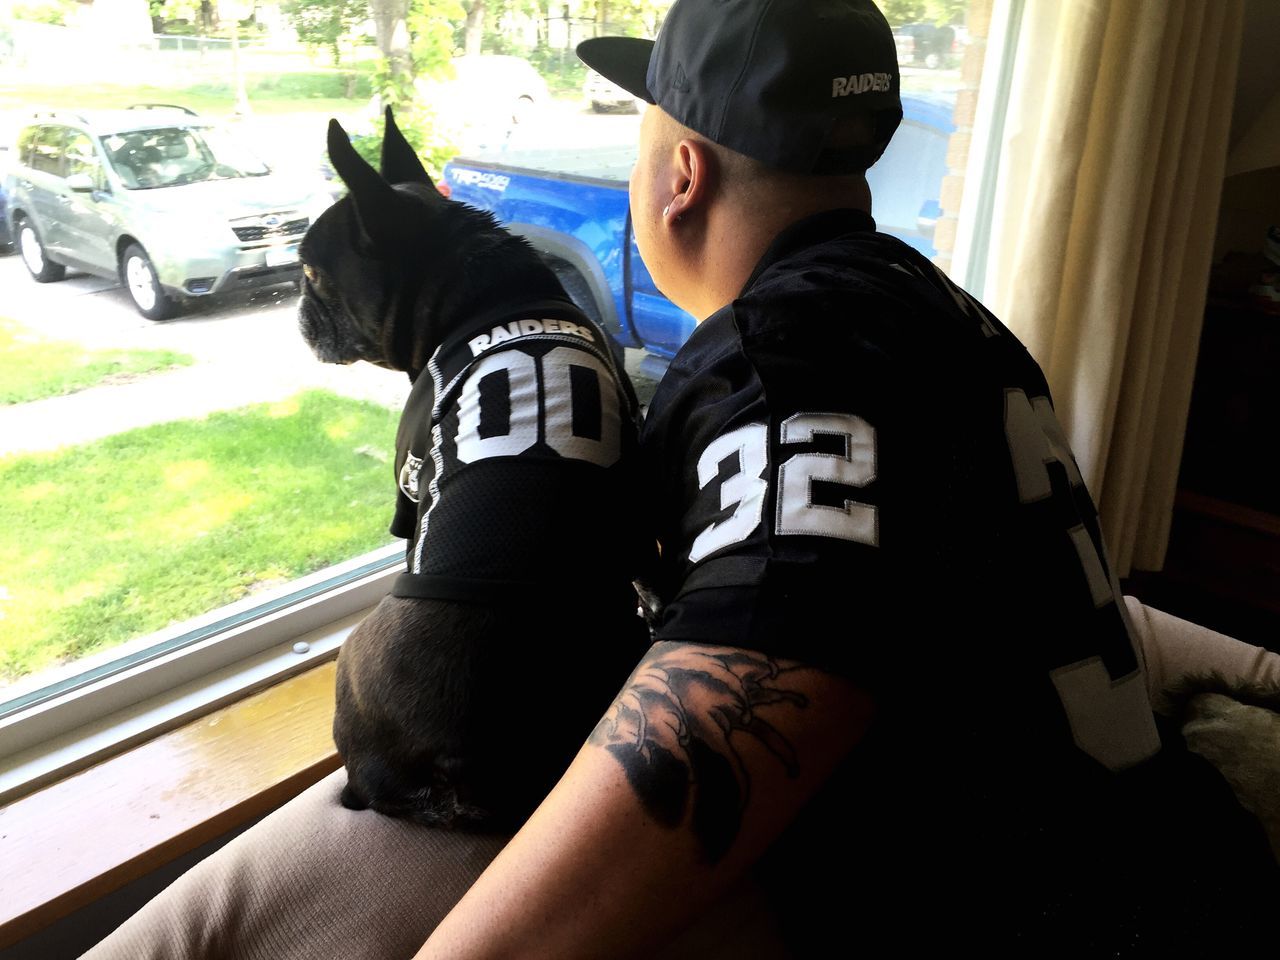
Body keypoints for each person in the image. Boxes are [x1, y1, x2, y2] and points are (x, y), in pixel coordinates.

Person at [83, 3, 1278, 957]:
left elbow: (750, 686)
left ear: (680, 175)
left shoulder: (784, 356)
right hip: (1171, 854)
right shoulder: (945, 315)